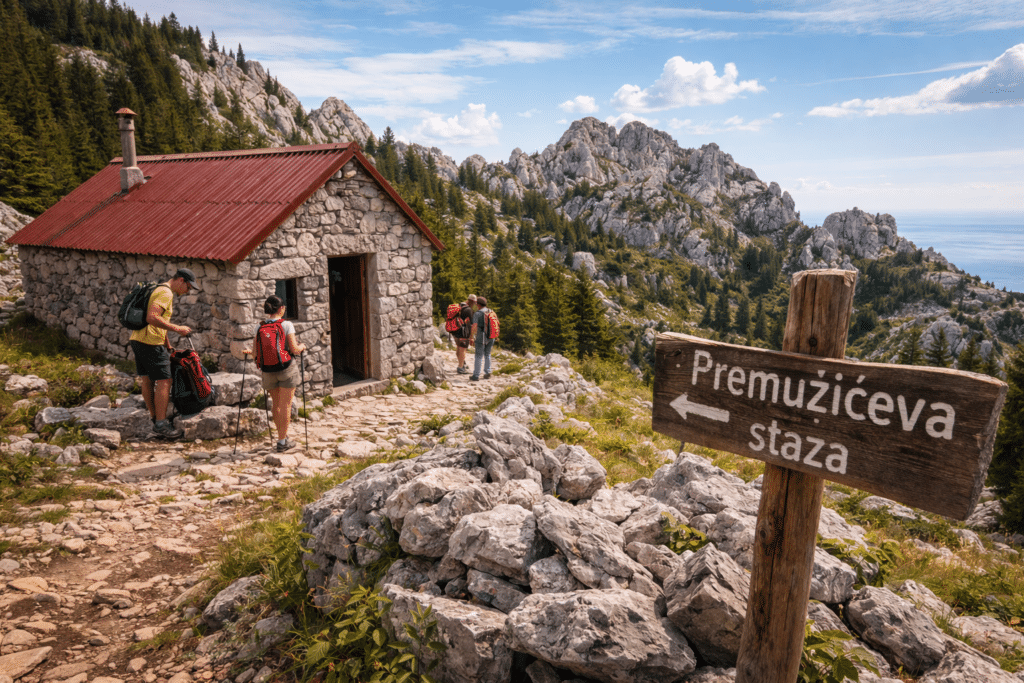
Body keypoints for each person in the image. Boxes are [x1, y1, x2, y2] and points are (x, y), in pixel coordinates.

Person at [129, 268, 199, 440]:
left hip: (138, 338)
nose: (187, 291)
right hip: (151, 341)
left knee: (146, 379)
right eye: (188, 287)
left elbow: (159, 320)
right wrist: (178, 329)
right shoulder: (166, 293)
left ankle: (154, 418)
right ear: (181, 280)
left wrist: (168, 345)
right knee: (165, 380)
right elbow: (152, 317)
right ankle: (161, 424)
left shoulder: (157, 288)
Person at [252, 295, 307, 452]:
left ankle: (282, 436)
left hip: (268, 371)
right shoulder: (286, 324)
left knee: (276, 404)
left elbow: (255, 354)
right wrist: (302, 346)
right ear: (281, 308)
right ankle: (282, 442)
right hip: (286, 369)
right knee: (286, 405)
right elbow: (294, 349)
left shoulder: (259, 327)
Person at [469, 295, 494, 381]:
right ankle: (487, 372)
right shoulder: (491, 311)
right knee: (487, 354)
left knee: (478, 356)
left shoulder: (477, 313)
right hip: (491, 336)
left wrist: (471, 337)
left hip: (481, 336)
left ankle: (476, 376)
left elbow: (474, 326)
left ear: (478, 304)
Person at [454, 294, 476, 374]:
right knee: (462, 349)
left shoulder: (459, 306)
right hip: (464, 332)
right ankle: (460, 368)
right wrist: (471, 336)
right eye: (474, 303)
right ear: (473, 302)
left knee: (459, 349)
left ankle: (462, 364)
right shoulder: (468, 310)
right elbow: (471, 324)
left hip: (455, 331)